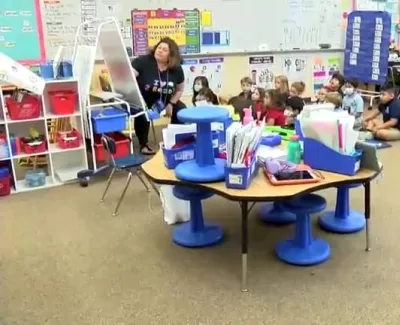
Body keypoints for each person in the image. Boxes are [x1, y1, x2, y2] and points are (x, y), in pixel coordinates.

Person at [131, 37, 186, 154]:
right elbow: (128, 79)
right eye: (159, 47)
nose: (160, 50)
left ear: (171, 55)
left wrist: (171, 104)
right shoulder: (143, 61)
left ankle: (175, 140)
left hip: (165, 101)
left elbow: (180, 90)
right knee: (142, 111)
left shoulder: (176, 69)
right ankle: (143, 144)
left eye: (164, 49)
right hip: (143, 99)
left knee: (181, 109)